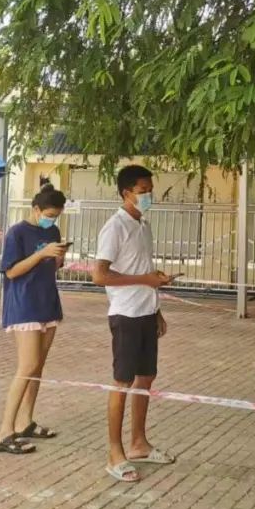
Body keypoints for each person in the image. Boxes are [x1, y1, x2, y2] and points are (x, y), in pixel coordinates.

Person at [91, 164, 174, 483]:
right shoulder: (115, 227)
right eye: (143, 191)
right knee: (122, 382)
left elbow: (143, 269)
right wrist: (144, 280)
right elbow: (99, 275)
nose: (149, 196)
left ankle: (139, 442)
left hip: (146, 311)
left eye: (151, 190)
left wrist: (156, 308)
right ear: (126, 193)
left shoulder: (143, 225)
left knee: (146, 378)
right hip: (125, 314)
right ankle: (115, 453)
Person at [0, 184, 69, 455]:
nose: (52, 220)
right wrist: (41, 254)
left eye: (56, 216)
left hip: (47, 301)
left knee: (38, 366)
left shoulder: (53, 232)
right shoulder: (17, 232)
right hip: (24, 305)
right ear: (36, 209)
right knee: (27, 365)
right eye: (49, 215)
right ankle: (4, 431)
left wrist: (58, 257)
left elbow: (52, 267)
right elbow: (11, 272)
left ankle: (25, 421)